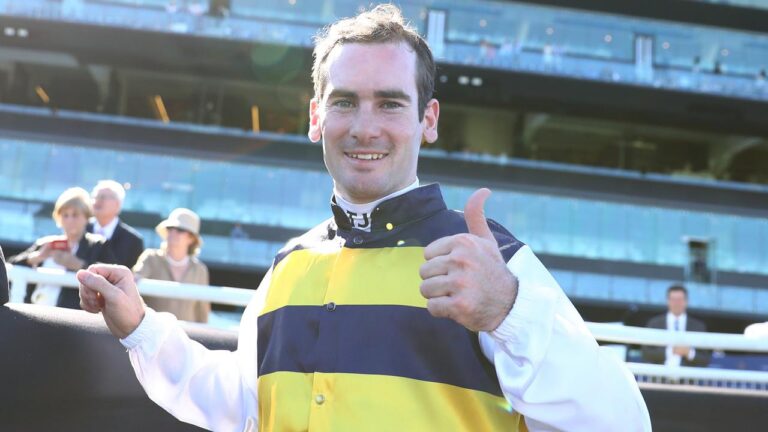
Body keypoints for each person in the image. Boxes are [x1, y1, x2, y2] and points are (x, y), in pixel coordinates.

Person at [77, 5, 650, 431]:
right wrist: (142, 328)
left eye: (390, 103)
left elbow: (623, 423)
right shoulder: (289, 265)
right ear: (315, 117)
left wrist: (508, 309)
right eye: (345, 101)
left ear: (429, 119)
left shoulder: (491, 262)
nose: (364, 126)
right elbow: (241, 404)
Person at [11, 187, 115, 309]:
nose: (70, 220)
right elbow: (9, 265)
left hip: (70, 315)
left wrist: (80, 265)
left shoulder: (97, 244)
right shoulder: (46, 243)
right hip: (34, 310)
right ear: (58, 218)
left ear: (86, 217)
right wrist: (37, 257)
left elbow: (111, 276)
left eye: (75, 215)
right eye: (65, 215)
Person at [133, 208, 210, 323]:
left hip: (187, 335)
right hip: (153, 334)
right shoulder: (151, 258)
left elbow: (202, 311)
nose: (173, 232)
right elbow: (134, 281)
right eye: (170, 228)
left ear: (191, 238)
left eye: (180, 229)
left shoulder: (200, 270)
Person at [642, 284, 711, 367]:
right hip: (659, 377)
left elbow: (705, 359)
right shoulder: (655, 323)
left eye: (679, 300)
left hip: (687, 378)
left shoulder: (698, 326)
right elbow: (646, 354)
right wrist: (671, 351)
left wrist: (689, 352)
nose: (676, 303)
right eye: (673, 299)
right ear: (667, 301)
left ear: (686, 301)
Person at [87, 180, 145, 269]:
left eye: (102, 197)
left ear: (117, 204)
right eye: (95, 197)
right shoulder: (81, 229)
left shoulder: (133, 241)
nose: (97, 201)